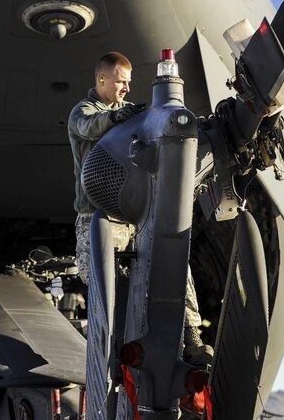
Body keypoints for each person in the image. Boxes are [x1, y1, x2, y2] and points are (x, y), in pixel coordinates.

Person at [68, 51, 213, 365]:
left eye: (129, 83)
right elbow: (88, 126)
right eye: (121, 82)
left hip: (133, 215)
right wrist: (116, 118)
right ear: (101, 79)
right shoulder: (84, 111)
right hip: (98, 217)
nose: (125, 89)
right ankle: (110, 347)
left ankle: (190, 337)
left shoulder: (128, 112)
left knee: (172, 264)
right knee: (100, 278)